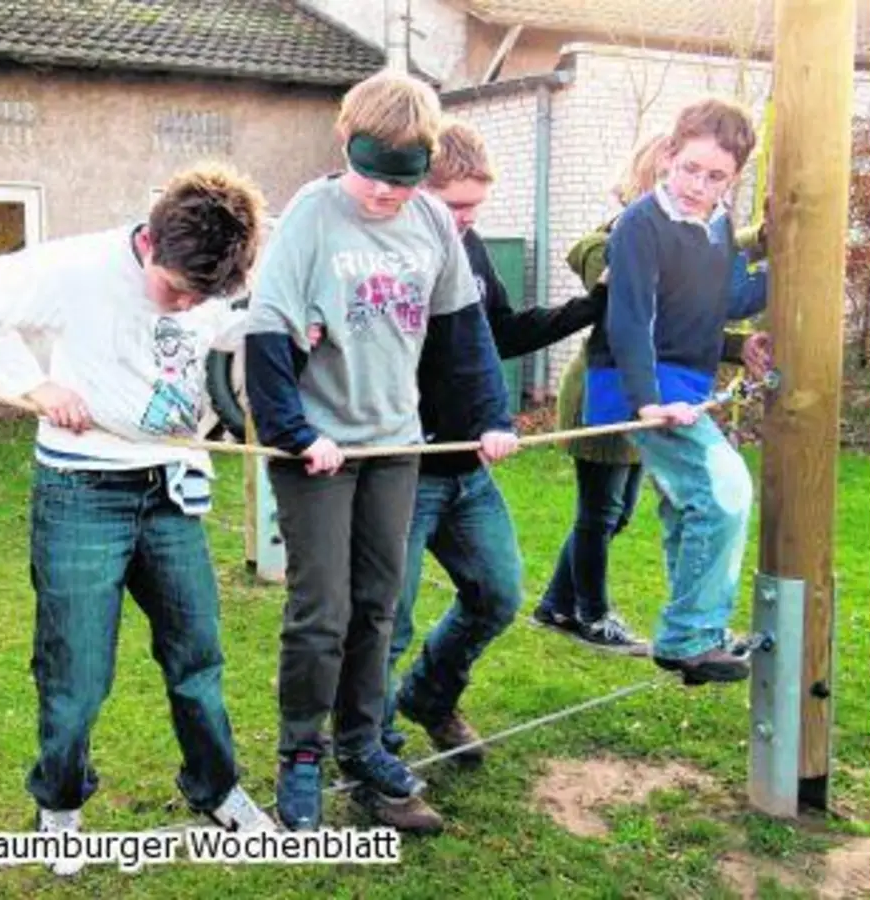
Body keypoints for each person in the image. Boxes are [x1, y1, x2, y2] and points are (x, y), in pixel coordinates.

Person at [0, 162, 276, 876]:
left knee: (197, 658)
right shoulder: (79, 268)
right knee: (78, 672)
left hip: (170, 490)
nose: (186, 306)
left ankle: (216, 788)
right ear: (150, 244)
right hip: (81, 489)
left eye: (201, 296)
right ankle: (59, 806)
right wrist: (33, 383)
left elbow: (223, 324)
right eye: (176, 291)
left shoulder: (212, 276)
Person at [244, 70, 519, 835]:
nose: (382, 196)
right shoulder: (310, 213)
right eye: (370, 177)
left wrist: (491, 414)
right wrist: (295, 435)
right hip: (319, 451)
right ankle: (301, 753)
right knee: (322, 610)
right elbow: (264, 336)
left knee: (377, 605)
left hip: (396, 446)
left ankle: (362, 744)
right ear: (346, 143)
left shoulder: (431, 222)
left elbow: (465, 336)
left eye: (400, 183)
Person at [381, 117, 601, 760]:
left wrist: (591, 307)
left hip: (466, 468)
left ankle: (428, 697)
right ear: (417, 188)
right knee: (386, 623)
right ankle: (371, 748)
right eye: (456, 206)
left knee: (497, 594)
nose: (468, 220)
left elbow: (499, 333)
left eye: (477, 206)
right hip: (400, 470)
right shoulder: (383, 253)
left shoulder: (468, 247)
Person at [532, 135, 771, 655]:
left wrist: (771, 251)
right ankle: (593, 613)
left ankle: (560, 601)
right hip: (619, 385)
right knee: (602, 511)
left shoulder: (704, 224)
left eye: (715, 179)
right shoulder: (623, 236)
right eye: (685, 174)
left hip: (663, 385)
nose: (694, 190)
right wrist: (643, 399)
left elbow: (703, 302)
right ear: (656, 175)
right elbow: (640, 316)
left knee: (627, 511)